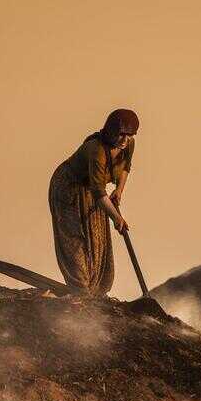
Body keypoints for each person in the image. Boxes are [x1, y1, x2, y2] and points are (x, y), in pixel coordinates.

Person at [49, 108, 138, 294]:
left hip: (92, 190)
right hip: (68, 188)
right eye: (121, 134)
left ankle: (95, 292)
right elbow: (99, 192)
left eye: (129, 135)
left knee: (97, 240)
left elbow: (125, 167)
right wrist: (117, 218)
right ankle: (80, 288)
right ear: (111, 130)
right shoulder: (97, 150)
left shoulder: (128, 144)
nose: (124, 139)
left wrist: (119, 191)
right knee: (75, 238)